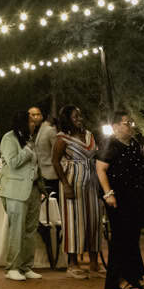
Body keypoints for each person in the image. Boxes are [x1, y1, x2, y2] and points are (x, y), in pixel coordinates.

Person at [96, 111, 144, 289]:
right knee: (121, 237)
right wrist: (108, 193)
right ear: (114, 127)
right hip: (117, 197)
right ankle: (117, 279)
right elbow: (100, 169)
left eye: (131, 123)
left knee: (132, 238)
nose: (130, 126)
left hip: (134, 196)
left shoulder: (134, 145)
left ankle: (134, 276)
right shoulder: (110, 145)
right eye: (125, 123)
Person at [52, 104, 102, 279]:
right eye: (75, 117)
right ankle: (73, 263)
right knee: (74, 222)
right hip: (73, 182)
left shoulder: (88, 135)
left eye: (80, 116)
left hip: (92, 182)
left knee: (94, 220)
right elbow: (56, 161)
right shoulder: (62, 138)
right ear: (67, 119)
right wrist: (65, 184)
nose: (79, 119)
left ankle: (94, 263)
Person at [0, 110, 43, 282]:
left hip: (33, 189)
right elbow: (13, 162)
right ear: (22, 123)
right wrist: (27, 150)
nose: (34, 124)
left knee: (30, 230)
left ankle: (26, 266)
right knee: (16, 229)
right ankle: (12, 267)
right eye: (31, 121)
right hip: (15, 190)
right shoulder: (9, 138)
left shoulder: (30, 139)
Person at [30, 106, 59, 196]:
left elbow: (58, 152)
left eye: (38, 114)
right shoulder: (30, 132)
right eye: (33, 115)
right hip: (38, 176)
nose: (36, 117)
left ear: (42, 116)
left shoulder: (49, 130)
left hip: (51, 175)